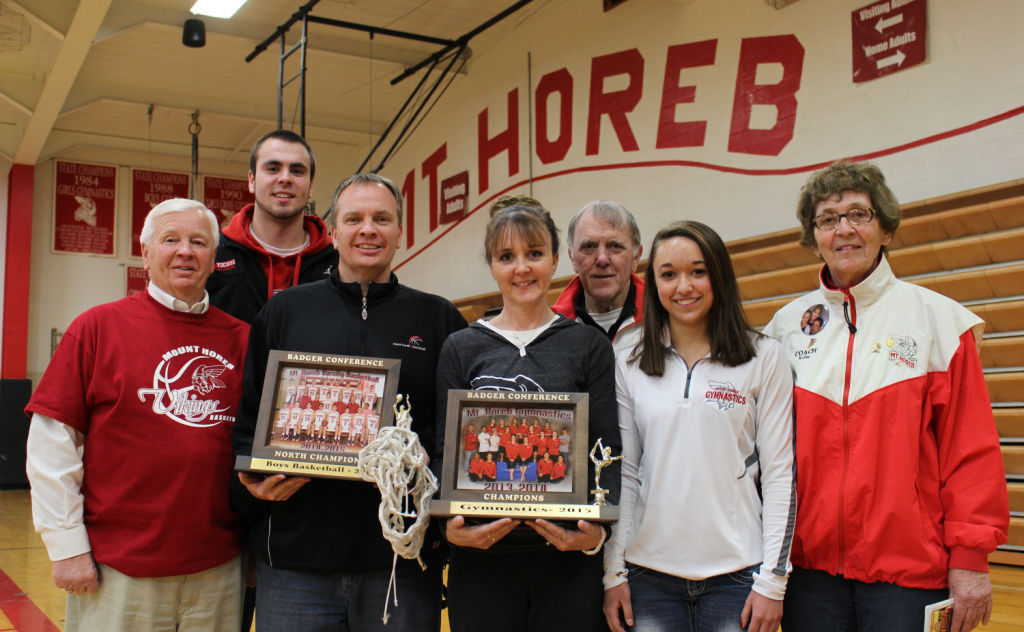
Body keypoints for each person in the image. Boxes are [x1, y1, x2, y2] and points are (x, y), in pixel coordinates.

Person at [762, 162, 1009, 632]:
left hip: (909, 572)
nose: (845, 229)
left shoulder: (940, 322)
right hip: (808, 573)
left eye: (859, 213)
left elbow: (970, 452)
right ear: (814, 239)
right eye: (828, 219)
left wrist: (971, 558)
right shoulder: (783, 329)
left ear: (886, 229)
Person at [230, 173, 466, 631]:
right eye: (353, 218)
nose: (368, 229)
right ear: (332, 232)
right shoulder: (285, 312)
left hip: (401, 563)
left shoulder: (439, 318)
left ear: (400, 231)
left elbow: (453, 439)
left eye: (382, 218)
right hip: (296, 564)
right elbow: (249, 422)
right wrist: (250, 484)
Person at [25, 198, 249, 631]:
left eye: (199, 242)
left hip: (219, 568)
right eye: (171, 239)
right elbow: (52, 445)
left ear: (214, 257)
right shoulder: (96, 328)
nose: (185, 251)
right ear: (145, 254)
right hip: (118, 571)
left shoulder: (243, 339)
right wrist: (67, 548)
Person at [435, 204, 621, 631]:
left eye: (534, 253)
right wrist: (448, 526)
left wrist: (600, 530)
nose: (522, 268)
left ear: (556, 260)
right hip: (481, 558)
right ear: (491, 266)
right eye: (506, 257)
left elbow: (607, 448)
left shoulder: (587, 346)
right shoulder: (461, 347)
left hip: (566, 558)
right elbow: (443, 451)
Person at [602, 221, 795, 632]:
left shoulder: (764, 357)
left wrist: (773, 582)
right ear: (654, 285)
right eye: (668, 274)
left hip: (739, 576)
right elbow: (626, 473)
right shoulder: (629, 361)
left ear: (719, 275)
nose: (683, 286)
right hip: (647, 577)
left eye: (698, 271)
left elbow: (781, 475)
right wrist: (614, 572)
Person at [207, 129, 336, 324]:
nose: (285, 178)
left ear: (310, 187)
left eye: (297, 171)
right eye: (273, 169)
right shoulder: (213, 255)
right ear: (252, 180)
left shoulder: (339, 265)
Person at [553, 200, 645, 352]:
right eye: (589, 246)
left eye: (615, 246)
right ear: (572, 258)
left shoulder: (664, 319)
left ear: (636, 257)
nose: (602, 259)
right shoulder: (550, 331)